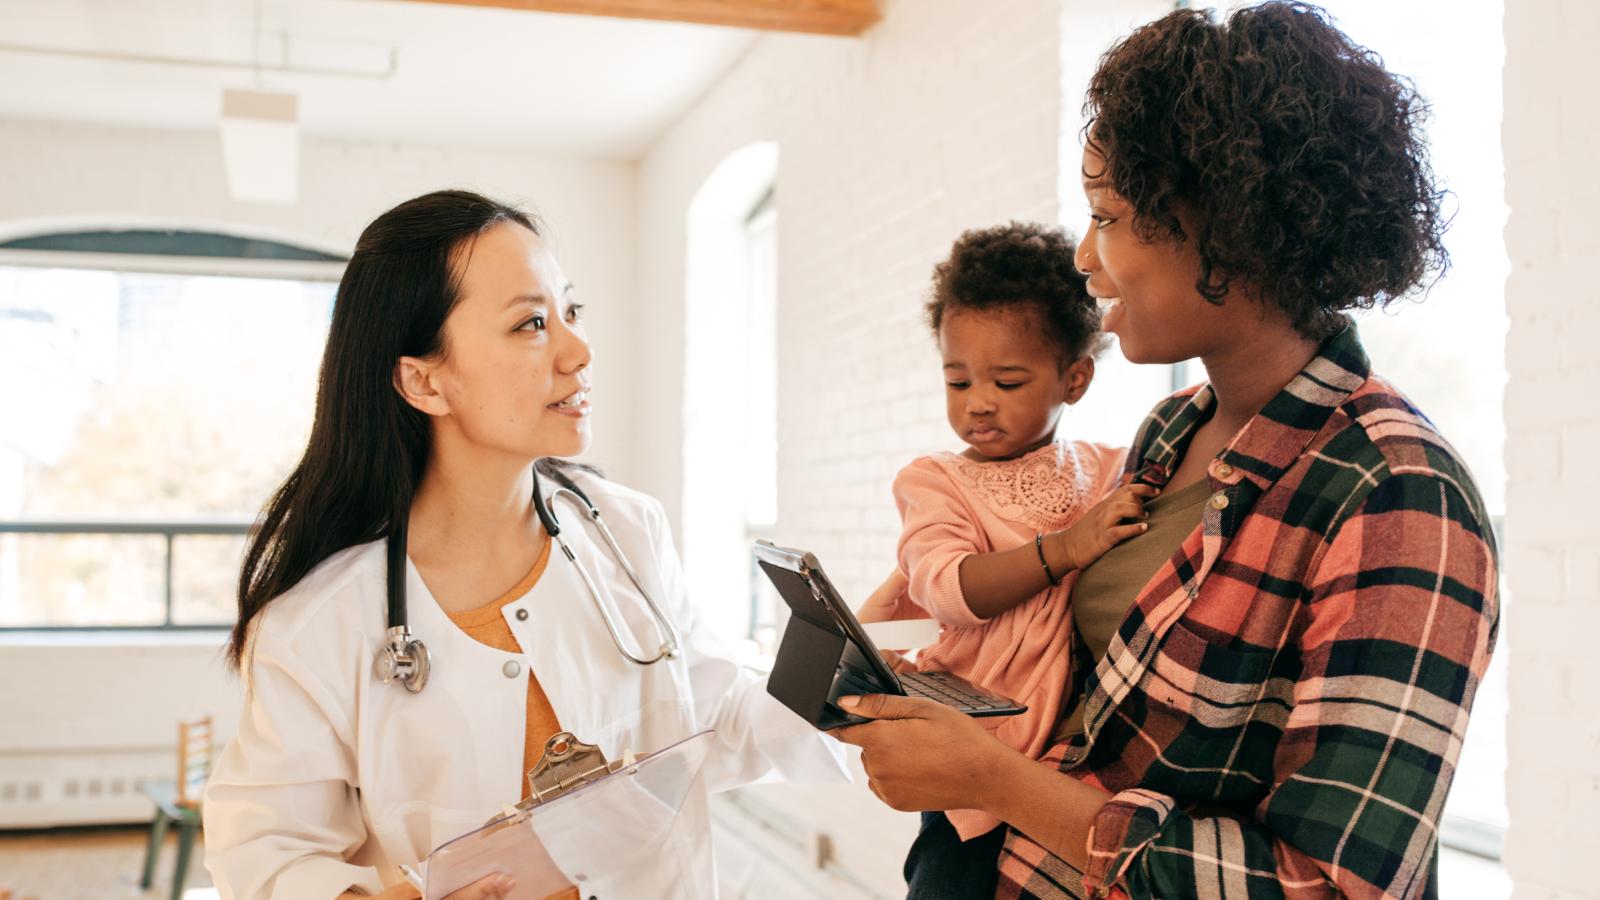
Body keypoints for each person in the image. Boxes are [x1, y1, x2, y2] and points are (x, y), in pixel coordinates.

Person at [838, 4, 1498, 898]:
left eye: (1106, 216)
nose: (1083, 256)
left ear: (1228, 226)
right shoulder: (1168, 432)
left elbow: (1325, 886)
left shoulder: (1398, 497)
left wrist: (992, 781)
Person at [202, 190, 845, 900]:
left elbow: (715, 727)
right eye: (532, 323)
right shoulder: (320, 619)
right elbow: (262, 853)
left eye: (570, 312)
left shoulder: (627, 531)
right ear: (424, 380)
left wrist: (837, 664)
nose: (579, 350)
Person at [886, 222, 1151, 899]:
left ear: (1075, 378)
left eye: (1006, 381)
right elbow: (946, 589)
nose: (977, 401)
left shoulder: (1105, 470)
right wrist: (1065, 549)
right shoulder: (936, 482)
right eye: (957, 379)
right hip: (977, 746)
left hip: (1070, 768)